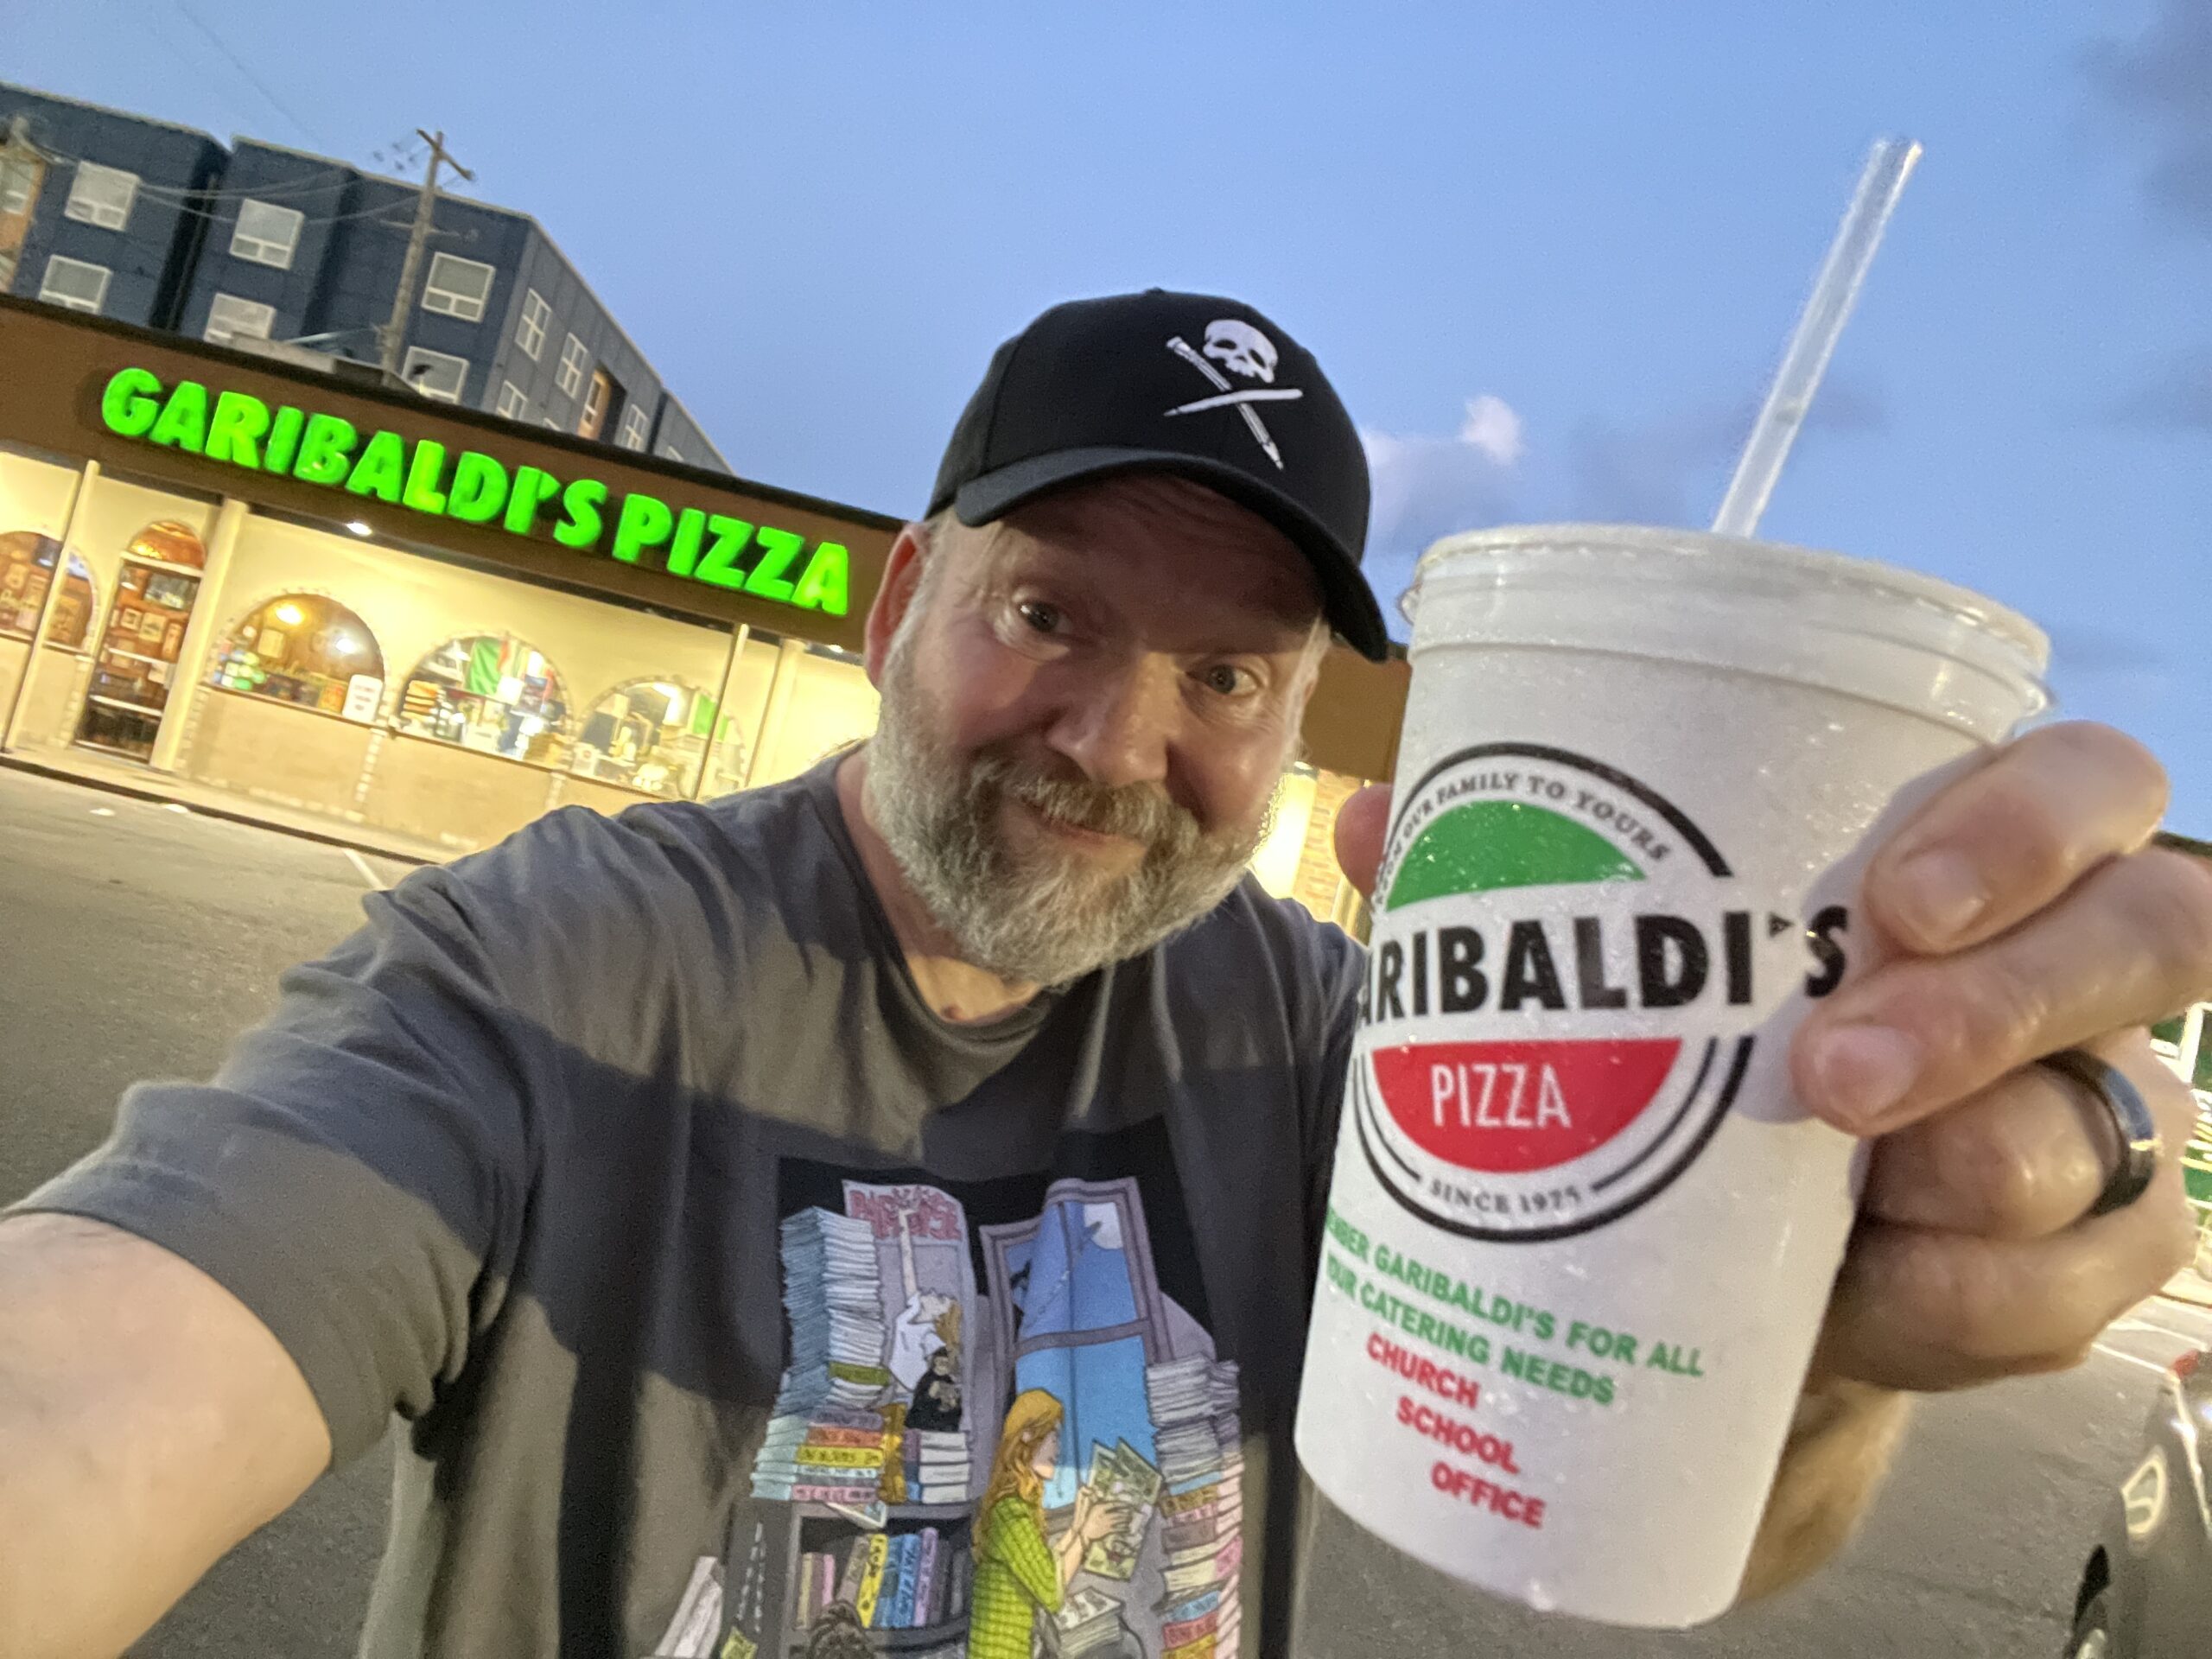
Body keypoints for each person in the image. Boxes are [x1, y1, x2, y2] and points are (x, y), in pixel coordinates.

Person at [0, 289, 2202, 1659]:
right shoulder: (547, 966)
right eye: (1050, 615)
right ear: (895, 605)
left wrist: (1817, 1329)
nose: (1117, 743)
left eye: (1225, 671)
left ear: (1298, 717)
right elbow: (90, 1388)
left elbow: (1709, 1524)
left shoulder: (1325, 1048)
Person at [967, 1390, 1124, 1659]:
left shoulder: (1015, 1506)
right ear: (1028, 1437)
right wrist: (1085, 1536)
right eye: (1054, 1437)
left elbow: (1044, 1567)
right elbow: (1051, 1592)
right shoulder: (1010, 1514)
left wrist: (1077, 1527)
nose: (1058, 1449)